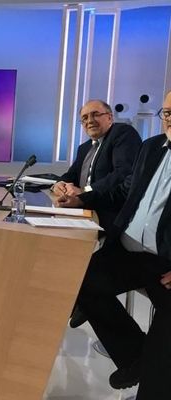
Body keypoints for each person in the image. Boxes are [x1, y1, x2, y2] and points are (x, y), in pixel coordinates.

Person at [55, 91, 171, 399]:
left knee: (161, 362)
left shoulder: (124, 137)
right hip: (130, 249)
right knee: (83, 279)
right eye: (169, 113)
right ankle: (135, 357)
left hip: (166, 263)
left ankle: (151, 370)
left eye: (95, 115)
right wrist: (81, 197)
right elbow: (128, 189)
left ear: (110, 117)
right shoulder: (152, 148)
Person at [51, 100, 142, 232]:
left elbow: (122, 173)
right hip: (83, 209)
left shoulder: (122, 133)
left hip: (109, 211)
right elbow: (71, 174)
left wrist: (85, 191)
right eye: (85, 118)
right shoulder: (84, 148)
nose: (90, 120)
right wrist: (59, 183)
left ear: (110, 117)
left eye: (95, 114)